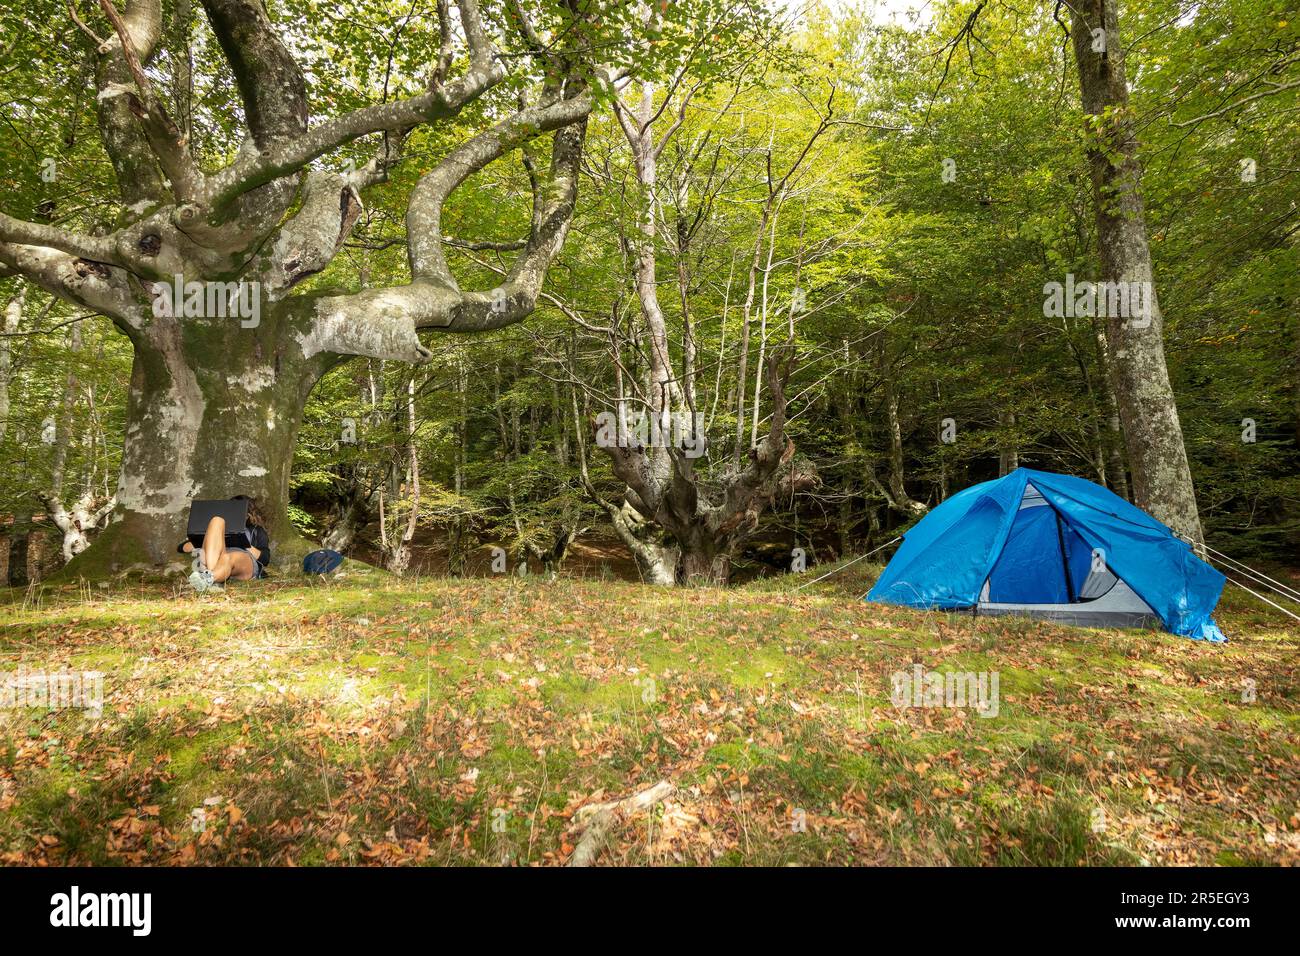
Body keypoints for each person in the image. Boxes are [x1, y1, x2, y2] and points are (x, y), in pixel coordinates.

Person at [178, 494, 272, 592]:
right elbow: (182, 547)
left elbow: (265, 558)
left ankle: (208, 578)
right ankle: (211, 577)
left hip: (244, 560)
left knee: (229, 557)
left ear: (248, 515)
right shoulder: (219, 529)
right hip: (218, 558)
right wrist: (203, 541)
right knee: (216, 520)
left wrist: (241, 542)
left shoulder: (256, 530)